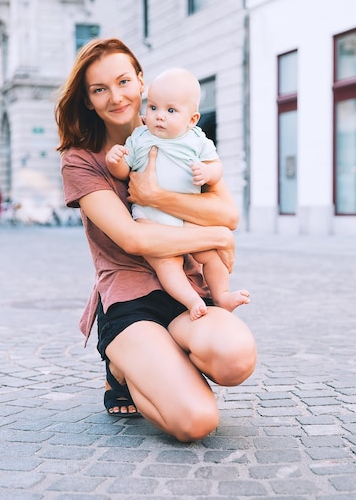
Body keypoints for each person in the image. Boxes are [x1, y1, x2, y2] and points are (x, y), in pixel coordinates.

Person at [55, 38, 256, 440]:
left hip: (187, 291)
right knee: (196, 422)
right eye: (99, 89)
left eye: (124, 81)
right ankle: (121, 369)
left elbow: (229, 213)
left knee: (235, 359)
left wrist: (156, 196)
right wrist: (214, 234)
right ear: (88, 101)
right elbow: (133, 239)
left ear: (141, 80)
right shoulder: (81, 160)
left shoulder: (184, 136)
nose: (116, 96)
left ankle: (166, 356)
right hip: (129, 298)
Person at [106, 67, 250, 321]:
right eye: (153, 108)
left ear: (192, 119)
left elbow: (215, 165)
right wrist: (114, 160)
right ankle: (192, 300)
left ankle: (222, 295)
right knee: (167, 264)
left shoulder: (197, 140)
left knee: (211, 256)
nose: (159, 116)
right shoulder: (140, 137)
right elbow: (123, 172)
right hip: (150, 219)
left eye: (171, 111)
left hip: (185, 217)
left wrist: (208, 174)